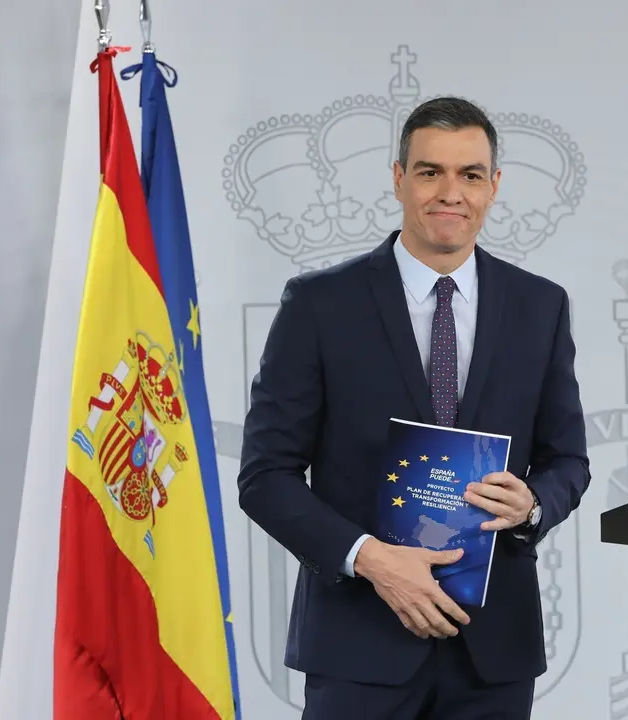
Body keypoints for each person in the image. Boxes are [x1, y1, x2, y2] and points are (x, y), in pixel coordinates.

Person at [237, 96, 591, 719]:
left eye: (470, 174)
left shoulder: (541, 307)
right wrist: (371, 560)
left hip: (494, 650)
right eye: (430, 172)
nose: (449, 192)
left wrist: (534, 504)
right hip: (358, 646)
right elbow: (265, 477)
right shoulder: (320, 305)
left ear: (494, 186)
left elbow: (568, 460)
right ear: (399, 177)